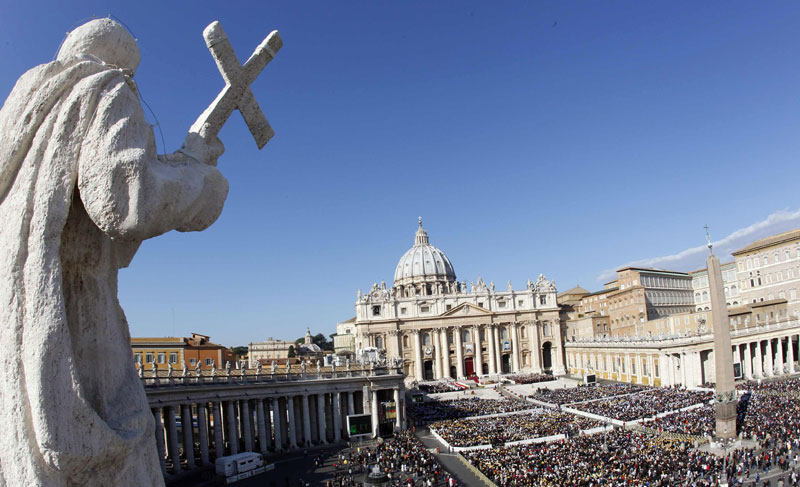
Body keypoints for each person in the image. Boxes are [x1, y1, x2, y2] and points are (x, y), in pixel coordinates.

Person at [0, 18, 227, 486]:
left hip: (14, 314)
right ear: (123, 62)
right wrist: (200, 173)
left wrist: (179, 160)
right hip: (74, 309)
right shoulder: (104, 86)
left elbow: (101, 227)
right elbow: (124, 200)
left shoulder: (24, 110)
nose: (136, 86)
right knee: (115, 452)